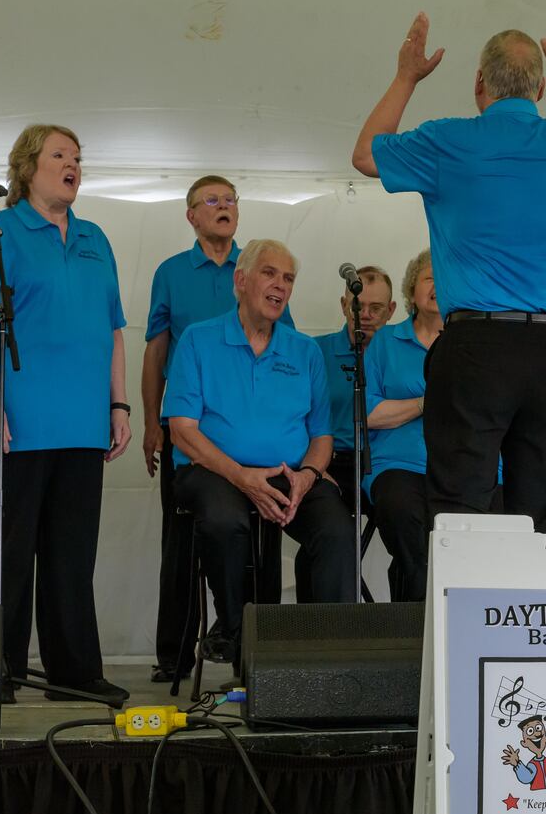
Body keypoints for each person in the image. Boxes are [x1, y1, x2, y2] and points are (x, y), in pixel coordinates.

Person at [352, 12, 546, 532]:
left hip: (475, 346)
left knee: (460, 512)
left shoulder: (448, 141)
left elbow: (366, 153)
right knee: (542, 516)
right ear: (540, 89)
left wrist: (406, 76)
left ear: (479, 83)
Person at [0, 123, 131, 707]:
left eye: (77, 157)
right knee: (9, 556)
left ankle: (74, 673)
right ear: (27, 168)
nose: (73, 164)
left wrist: (119, 403)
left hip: (83, 426)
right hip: (19, 424)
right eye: (59, 155)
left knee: (71, 557)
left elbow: (114, 329)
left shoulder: (95, 238)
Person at [164, 239, 356, 676]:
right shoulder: (199, 340)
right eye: (269, 273)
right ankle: (235, 631)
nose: (280, 285)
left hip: (290, 473)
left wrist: (310, 474)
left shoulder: (304, 351)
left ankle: (333, 655)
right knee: (224, 521)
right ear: (241, 280)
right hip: (213, 469)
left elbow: (322, 436)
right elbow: (182, 430)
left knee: (335, 529)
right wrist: (240, 476)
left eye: (288, 278)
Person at [141, 175, 294, 682]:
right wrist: (152, 422)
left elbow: (285, 349)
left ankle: (257, 648)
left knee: (258, 534)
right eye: (212, 200)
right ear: (191, 215)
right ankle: (174, 656)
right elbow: (156, 352)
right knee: (180, 542)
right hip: (189, 433)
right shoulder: (170, 272)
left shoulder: (261, 268)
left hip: (250, 433)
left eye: (231, 199)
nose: (224, 206)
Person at [364, 251, 445, 601]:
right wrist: (427, 403)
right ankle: (415, 627)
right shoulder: (385, 342)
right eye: (429, 278)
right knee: (409, 533)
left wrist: (403, 407)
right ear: (412, 289)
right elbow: (369, 413)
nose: (437, 286)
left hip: (461, 468)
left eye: (445, 278)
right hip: (397, 465)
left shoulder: (469, 341)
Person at [311, 265, 396, 514]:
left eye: (376, 308)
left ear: (391, 310)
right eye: (357, 306)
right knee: (331, 526)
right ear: (343, 305)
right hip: (330, 462)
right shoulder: (316, 351)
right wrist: (313, 467)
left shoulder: (399, 356)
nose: (365, 315)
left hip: (383, 464)